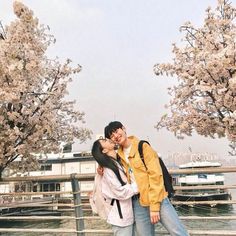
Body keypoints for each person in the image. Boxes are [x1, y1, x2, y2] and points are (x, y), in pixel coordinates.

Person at [104, 121, 189, 236]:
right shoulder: (119, 155)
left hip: (158, 199)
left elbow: (156, 176)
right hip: (138, 202)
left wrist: (154, 207)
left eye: (116, 131)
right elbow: (105, 157)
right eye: (111, 136)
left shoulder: (142, 147)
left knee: (178, 232)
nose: (115, 136)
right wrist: (100, 167)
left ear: (123, 128)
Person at [91, 138, 138, 236]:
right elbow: (120, 192)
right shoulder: (108, 169)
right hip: (120, 216)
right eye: (105, 141)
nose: (109, 140)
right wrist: (140, 186)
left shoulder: (116, 162)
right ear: (104, 150)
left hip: (125, 214)